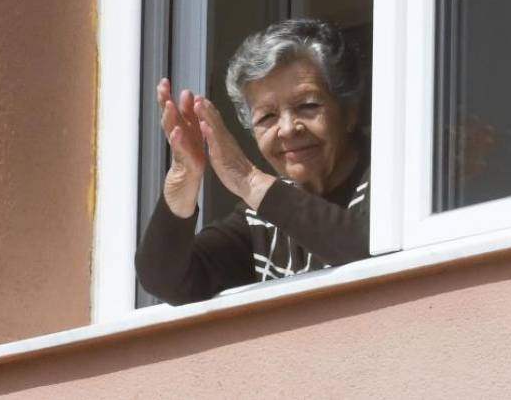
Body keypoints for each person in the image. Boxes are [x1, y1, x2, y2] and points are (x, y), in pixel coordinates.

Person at [135, 19, 371, 305]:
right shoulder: (263, 218)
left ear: (349, 113)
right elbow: (166, 279)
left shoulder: (391, 171)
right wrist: (184, 177)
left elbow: (366, 249)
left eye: (308, 106)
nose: (287, 128)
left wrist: (249, 180)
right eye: (267, 117)